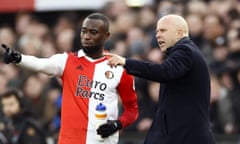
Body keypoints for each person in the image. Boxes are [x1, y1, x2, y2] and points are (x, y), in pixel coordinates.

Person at [1, 13, 138, 144]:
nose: (86, 36)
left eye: (93, 32)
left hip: (102, 141)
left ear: (106, 36)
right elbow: (41, 64)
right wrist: (18, 58)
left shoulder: (119, 68)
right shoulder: (67, 61)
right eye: (84, 31)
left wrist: (117, 124)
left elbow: (132, 109)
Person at [106, 14, 216, 144]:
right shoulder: (185, 52)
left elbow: (164, 71)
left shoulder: (185, 50)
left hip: (185, 135)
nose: (157, 35)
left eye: (163, 30)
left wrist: (125, 62)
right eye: (157, 31)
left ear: (179, 33)